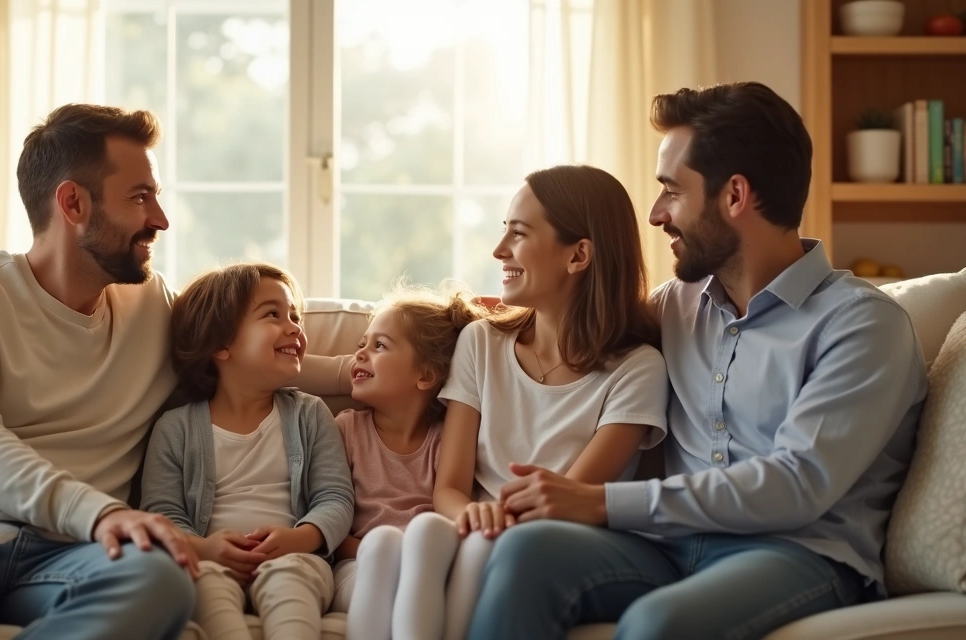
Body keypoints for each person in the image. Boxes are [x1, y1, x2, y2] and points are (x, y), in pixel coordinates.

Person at [0, 104, 339, 640]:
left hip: (72, 553)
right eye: (140, 197)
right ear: (73, 202)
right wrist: (100, 515)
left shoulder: (150, 308)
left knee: (161, 580)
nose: (161, 220)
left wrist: (359, 370)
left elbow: (242, 355)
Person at [467, 82, 929, 640]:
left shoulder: (862, 326)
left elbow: (796, 485)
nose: (657, 214)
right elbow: (576, 322)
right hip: (667, 548)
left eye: (672, 192)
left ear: (735, 196)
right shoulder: (675, 307)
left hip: (795, 553)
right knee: (526, 551)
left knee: (658, 624)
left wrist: (602, 502)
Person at [401, 164, 671, 640]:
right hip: (475, 535)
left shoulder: (638, 368)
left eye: (519, 234)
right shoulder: (481, 343)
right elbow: (449, 488)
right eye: (503, 230)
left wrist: (495, 527)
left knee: (509, 550)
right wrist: (470, 515)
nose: (499, 250)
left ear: (579, 255)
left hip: (556, 545)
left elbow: (567, 499)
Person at [141, 262, 355, 640]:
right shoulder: (175, 429)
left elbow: (335, 497)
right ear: (220, 344)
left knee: (291, 577)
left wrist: (300, 538)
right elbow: (162, 514)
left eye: (295, 315)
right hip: (209, 562)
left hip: (296, 559)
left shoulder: (310, 413)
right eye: (273, 314)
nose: (294, 327)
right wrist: (205, 549)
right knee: (202, 582)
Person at [325, 282, 486, 640]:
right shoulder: (346, 430)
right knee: (384, 544)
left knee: (427, 539)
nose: (361, 354)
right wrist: (374, 545)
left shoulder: (448, 440)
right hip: (360, 564)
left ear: (425, 376)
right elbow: (332, 525)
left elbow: (455, 520)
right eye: (360, 345)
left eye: (379, 346)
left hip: (427, 567)